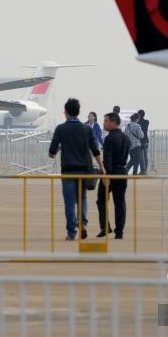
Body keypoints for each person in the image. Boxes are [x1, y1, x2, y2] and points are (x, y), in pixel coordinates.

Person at [49, 97, 104, 241]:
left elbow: (52, 153)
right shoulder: (86, 129)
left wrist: (61, 148)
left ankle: (71, 232)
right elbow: (95, 150)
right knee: (82, 198)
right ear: (78, 112)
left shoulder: (61, 129)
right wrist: (101, 167)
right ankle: (83, 223)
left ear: (65, 112)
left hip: (68, 171)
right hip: (84, 171)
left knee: (69, 202)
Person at [96, 112, 130, 239]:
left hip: (110, 172)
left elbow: (108, 158)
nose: (104, 123)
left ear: (114, 122)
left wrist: (106, 176)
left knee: (101, 200)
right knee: (120, 202)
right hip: (122, 172)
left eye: (106, 121)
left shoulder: (109, 138)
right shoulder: (126, 138)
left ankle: (105, 227)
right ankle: (119, 231)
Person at [137, 109, 150, 173]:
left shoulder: (137, 123)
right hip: (146, 140)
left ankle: (143, 171)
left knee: (141, 157)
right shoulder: (147, 122)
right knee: (145, 157)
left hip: (140, 141)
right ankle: (145, 170)